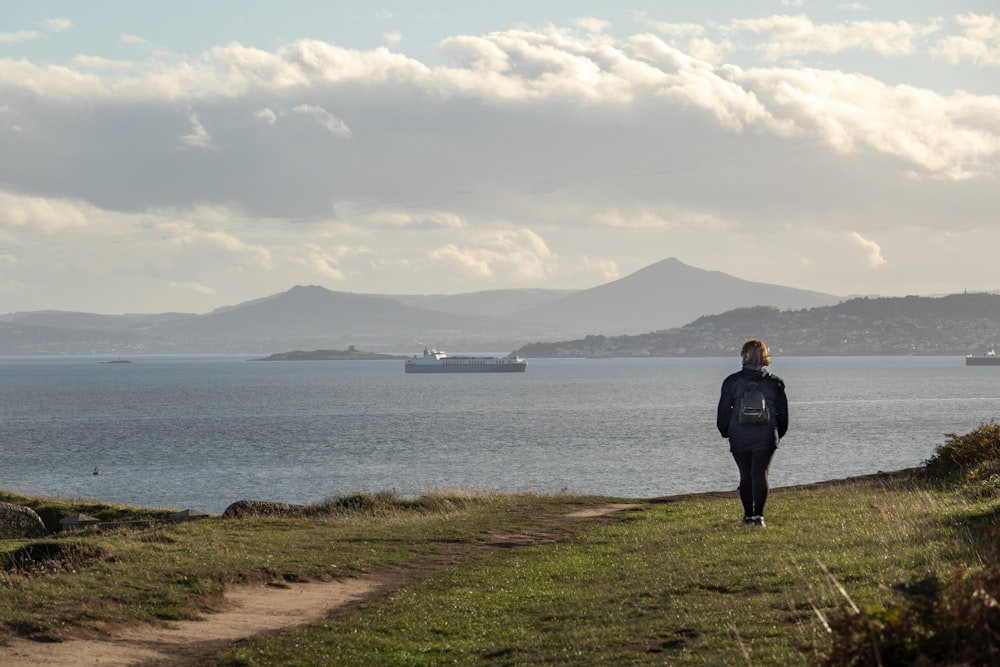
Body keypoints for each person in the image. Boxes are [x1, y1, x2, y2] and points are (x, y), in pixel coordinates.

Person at [716, 339, 788, 528]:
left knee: (745, 475)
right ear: (765, 357)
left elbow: (723, 412)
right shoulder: (775, 382)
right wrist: (777, 433)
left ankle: (748, 516)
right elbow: (783, 414)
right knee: (761, 473)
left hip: (739, 434)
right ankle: (759, 517)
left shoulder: (731, 381)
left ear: (743, 356)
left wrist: (726, 432)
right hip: (766, 435)